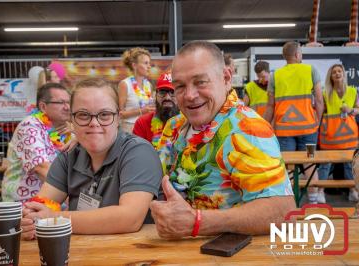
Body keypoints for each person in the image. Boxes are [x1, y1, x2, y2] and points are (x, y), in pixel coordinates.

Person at [150, 41, 295, 239]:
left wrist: (197, 222)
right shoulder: (174, 125)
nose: (190, 95)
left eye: (201, 82)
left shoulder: (247, 128)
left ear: (226, 78)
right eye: (180, 86)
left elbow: (283, 213)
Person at [21, 78, 162, 240]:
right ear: (72, 120)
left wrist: (53, 219)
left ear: (118, 118)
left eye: (104, 115)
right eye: (83, 115)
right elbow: (39, 206)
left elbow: (129, 218)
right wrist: (30, 219)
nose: (94, 123)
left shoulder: (138, 152)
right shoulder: (69, 156)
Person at [263, 41, 324, 204]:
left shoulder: (275, 75)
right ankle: (313, 201)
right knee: (310, 162)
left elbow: (270, 106)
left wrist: (263, 126)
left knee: (287, 165)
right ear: (298, 55)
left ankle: (288, 202)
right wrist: (317, 122)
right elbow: (319, 100)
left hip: (284, 132)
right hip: (309, 131)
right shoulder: (310, 70)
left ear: (285, 56)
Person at [2, 83, 72, 202]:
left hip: (53, 199)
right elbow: (41, 168)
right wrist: (72, 194)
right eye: (61, 103)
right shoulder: (30, 126)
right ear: (43, 107)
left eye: (69, 102)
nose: (67, 107)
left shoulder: (65, 129)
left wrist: (78, 134)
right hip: (24, 202)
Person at [318, 64, 359, 203]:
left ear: (343, 73)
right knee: (325, 164)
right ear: (331, 76)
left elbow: (358, 109)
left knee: (349, 165)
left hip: (349, 136)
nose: (337, 73)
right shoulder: (325, 93)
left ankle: (352, 191)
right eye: (334, 72)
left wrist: (351, 110)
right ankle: (320, 191)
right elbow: (320, 112)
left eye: (339, 71)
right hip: (329, 136)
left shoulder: (353, 91)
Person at [132, 72, 179, 149]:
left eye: (172, 92)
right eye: (162, 92)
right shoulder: (142, 123)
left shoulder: (188, 123)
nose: (167, 97)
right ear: (155, 95)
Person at [118, 47, 155, 133]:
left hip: (146, 127)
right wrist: (141, 111)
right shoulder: (125, 84)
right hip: (129, 128)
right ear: (134, 65)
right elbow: (121, 114)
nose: (149, 66)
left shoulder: (148, 85)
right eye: (146, 63)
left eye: (149, 63)